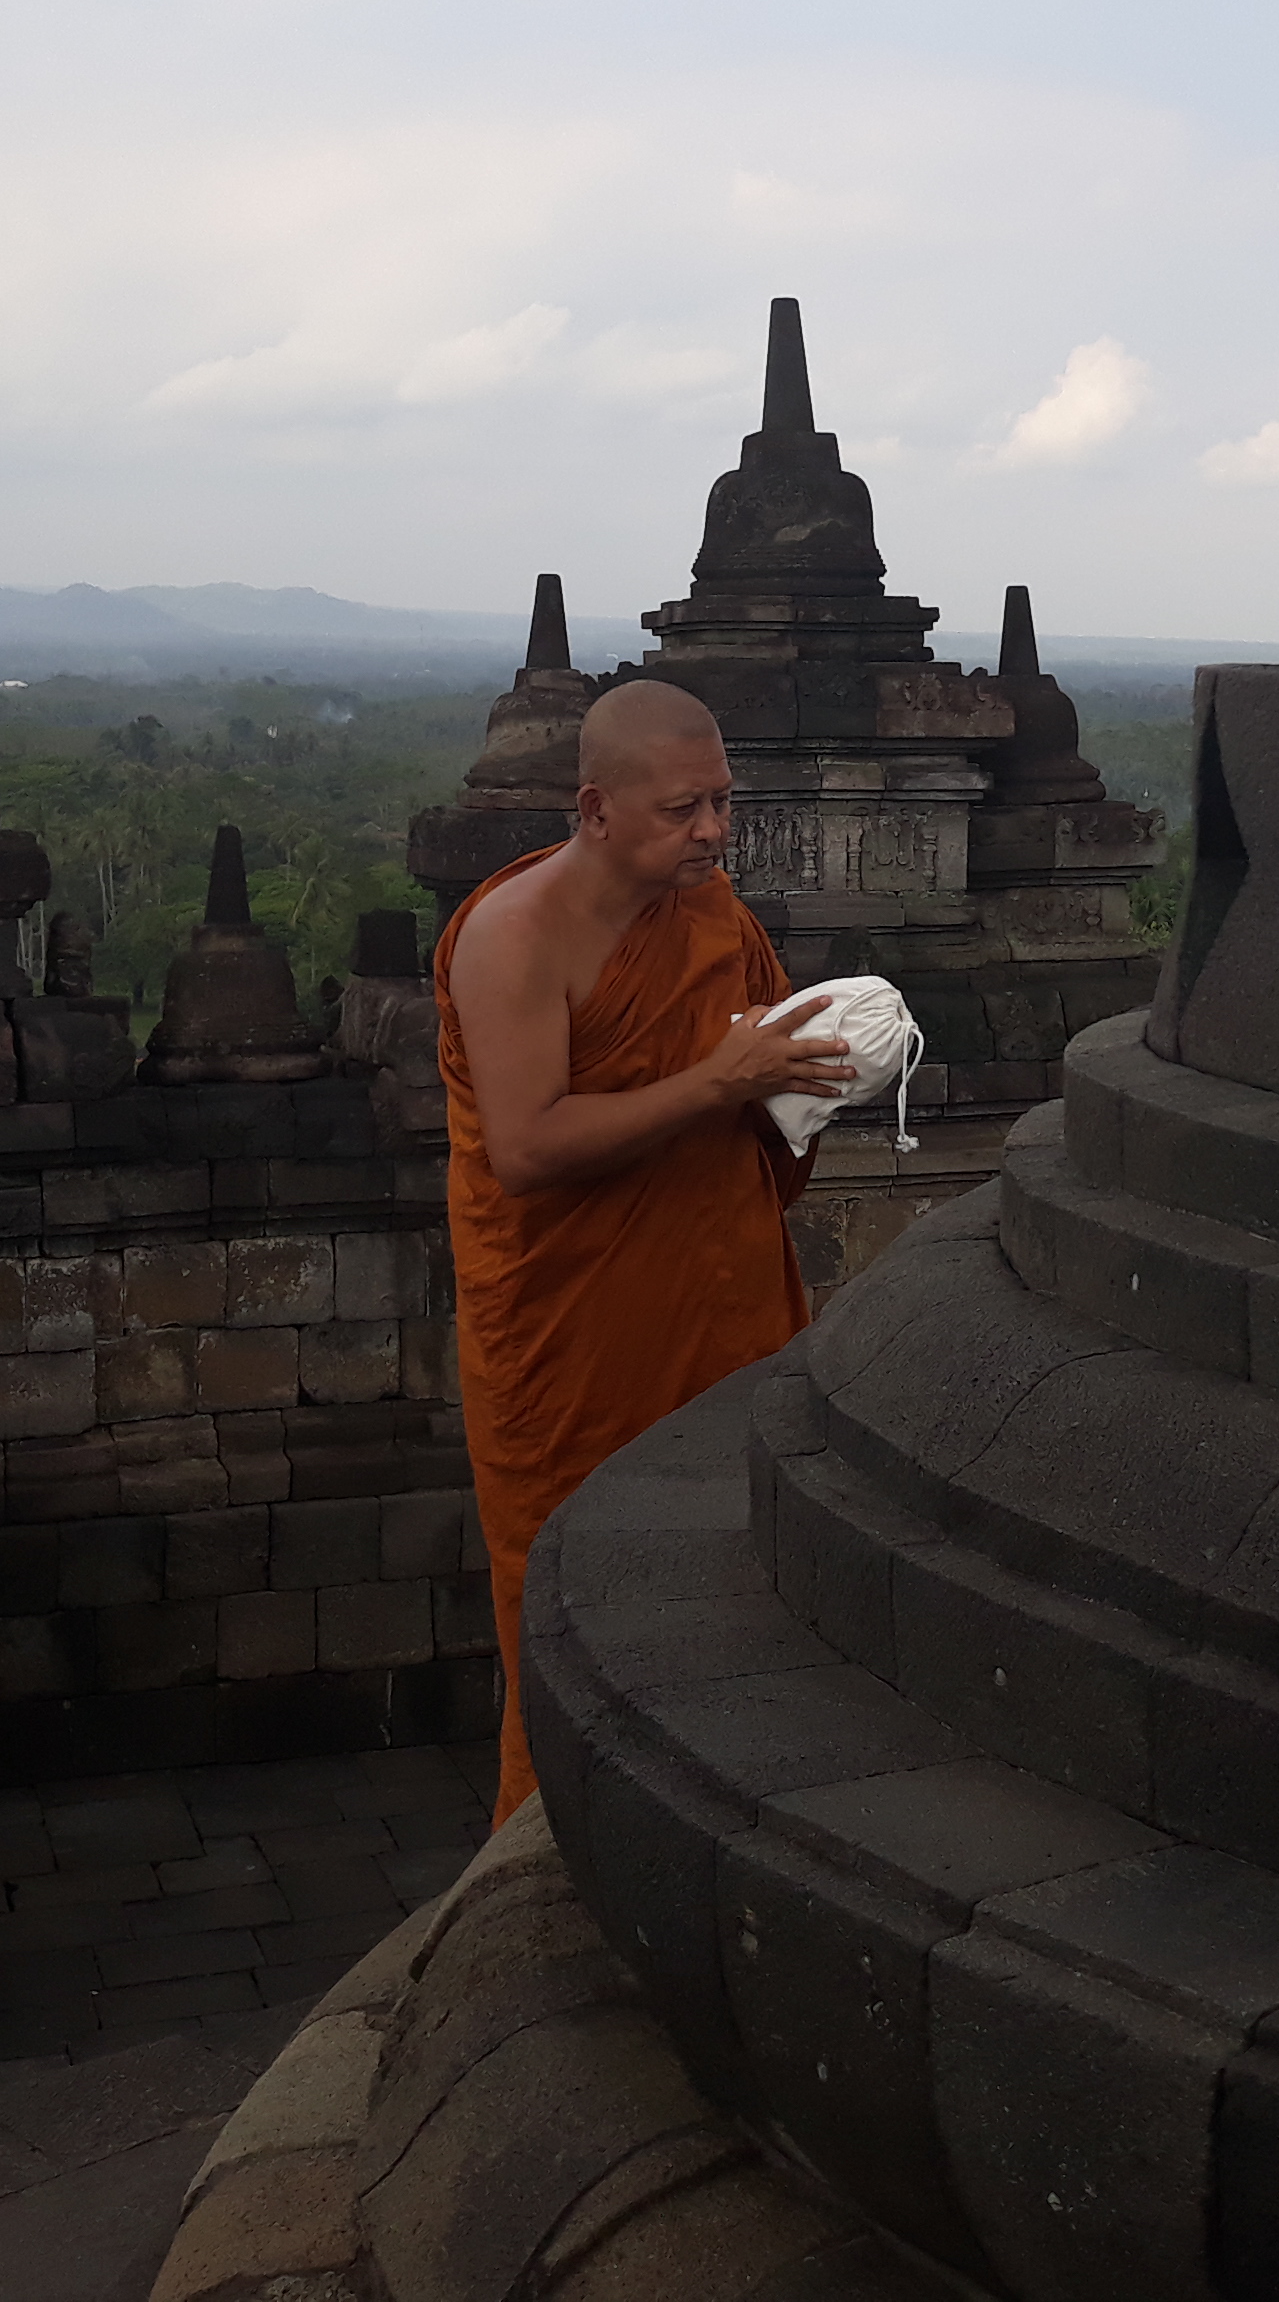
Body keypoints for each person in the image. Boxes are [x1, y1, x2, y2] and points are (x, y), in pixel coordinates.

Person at [433, 676, 850, 1818]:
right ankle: (560, 1867)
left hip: (720, 1312)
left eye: (722, 802)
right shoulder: (515, 940)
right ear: (596, 807)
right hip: (574, 1340)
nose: (713, 831)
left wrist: (818, 1075)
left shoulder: (716, 920)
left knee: (729, 1589)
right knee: (573, 1604)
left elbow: (760, 1101)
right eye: (682, 810)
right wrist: (721, 1079)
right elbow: (524, 1148)